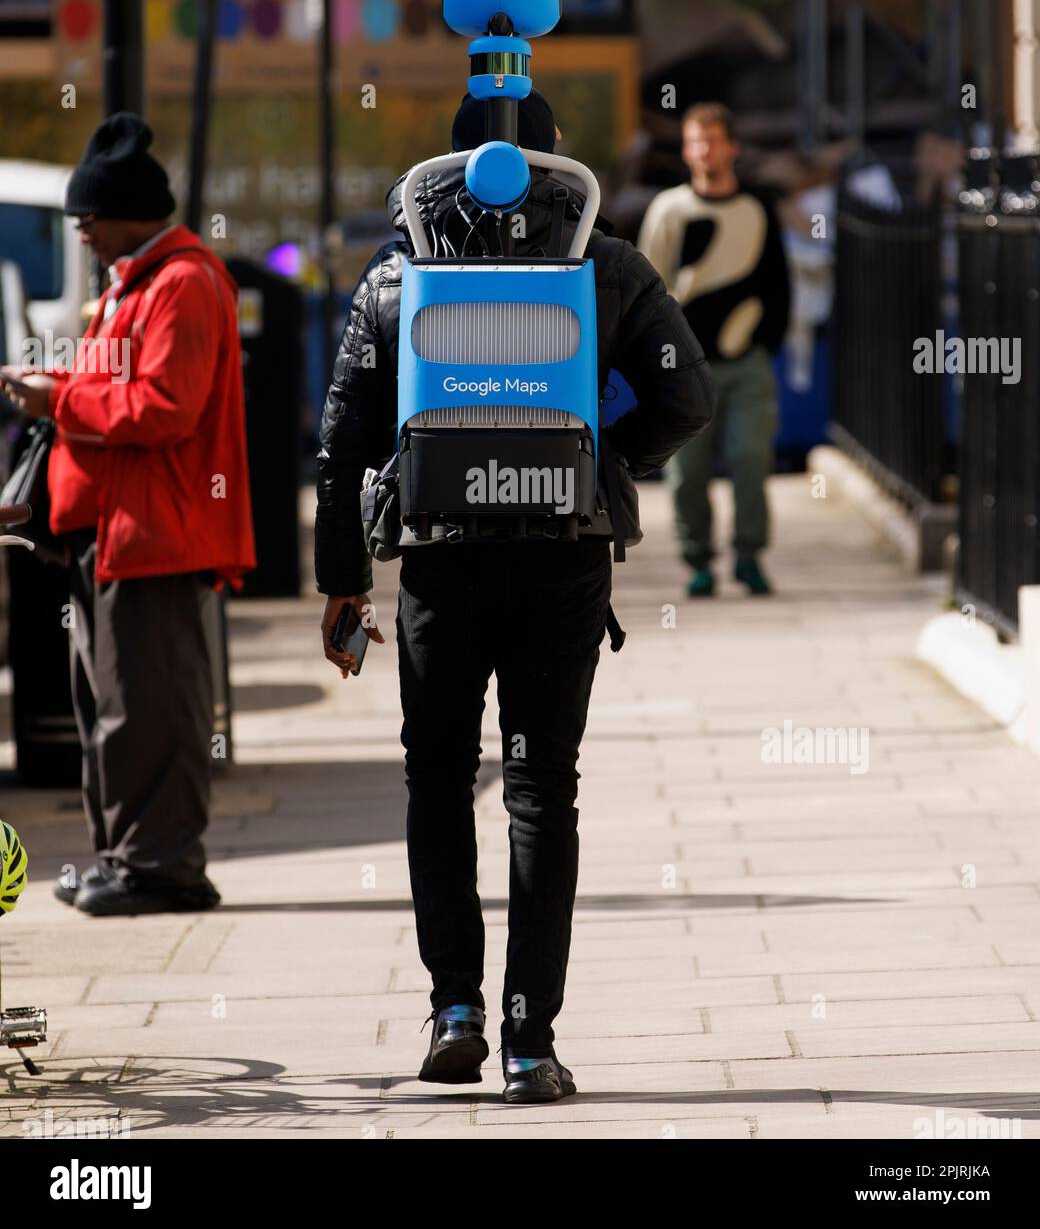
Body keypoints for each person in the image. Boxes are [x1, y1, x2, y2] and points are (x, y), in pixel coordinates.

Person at [315, 89, 716, 1103]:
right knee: (541, 789)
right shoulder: (605, 263)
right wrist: (601, 458)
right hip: (559, 557)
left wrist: (341, 582)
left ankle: (453, 1006)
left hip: (441, 561)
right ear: (552, 159)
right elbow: (686, 396)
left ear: (451, 162)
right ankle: (530, 1042)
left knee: (439, 778)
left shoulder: (398, 270)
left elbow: (343, 441)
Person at [0, 112, 255, 916]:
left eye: (88, 220)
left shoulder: (183, 282)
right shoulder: (138, 283)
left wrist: (59, 394)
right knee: (111, 707)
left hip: (158, 534)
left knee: (151, 706)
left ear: (126, 215)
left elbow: (164, 408)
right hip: (114, 534)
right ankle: (126, 856)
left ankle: (163, 865)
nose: (81, 236)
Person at [637, 102, 790, 595]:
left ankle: (749, 557)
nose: (703, 150)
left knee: (751, 458)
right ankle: (698, 561)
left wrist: (766, 343)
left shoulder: (757, 207)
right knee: (687, 472)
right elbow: (649, 287)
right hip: (684, 367)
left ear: (732, 147)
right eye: (694, 141)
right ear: (685, 150)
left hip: (745, 363)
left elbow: (778, 285)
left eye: (712, 140)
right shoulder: (669, 210)